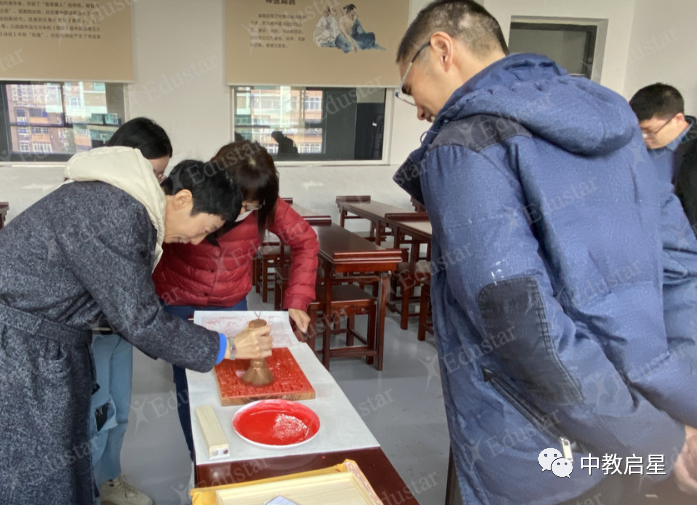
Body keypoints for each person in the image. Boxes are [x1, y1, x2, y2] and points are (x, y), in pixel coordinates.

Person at [392, 1, 697, 504]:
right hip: (639, 425)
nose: (419, 109)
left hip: (536, 450)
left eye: (408, 87)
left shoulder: (464, 144)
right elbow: (681, 268)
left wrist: (654, 439)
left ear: (442, 50)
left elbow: (523, 328)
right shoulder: (617, 123)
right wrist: (679, 405)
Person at [0, 134, 274, 503]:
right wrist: (226, 346)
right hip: (5, 347)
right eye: (204, 229)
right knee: (12, 470)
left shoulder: (123, 205)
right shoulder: (119, 213)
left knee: (46, 464)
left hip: (27, 338)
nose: (195, 242)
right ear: (182, 199)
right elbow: (140, 320)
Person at [153, 140, 319, 461]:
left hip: (230, 304)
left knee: (237, 380)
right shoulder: (189, 194)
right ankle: (200, 460)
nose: (240, 212)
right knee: (192, 387)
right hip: (179, 300)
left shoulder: (266, 206)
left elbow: (305, 241)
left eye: (250, 206)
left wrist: (297, 300)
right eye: (238, 203)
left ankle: (236, 456)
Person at [85, 118, 173, 505]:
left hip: (118, 332)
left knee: (119, 410)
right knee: (96, 416)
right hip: (91, 334)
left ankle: (109, 480)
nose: (157, 183)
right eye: (154, 173)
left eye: (163, 175)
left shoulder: (141, 208)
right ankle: (86, 491)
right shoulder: (95, 205)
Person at [629, 84, 697, 236]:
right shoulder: (631, 145)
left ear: (678, 119)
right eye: (638, 131)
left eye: (649, 131)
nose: (643, 138)